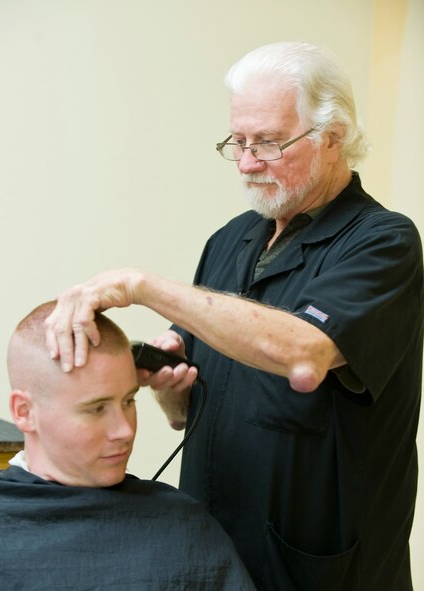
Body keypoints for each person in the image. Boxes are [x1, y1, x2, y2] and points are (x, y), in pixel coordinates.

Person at [44, 41, 423, 591]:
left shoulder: (382, 242)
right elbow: (188, 408)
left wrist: (144, 287)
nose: (247, 163)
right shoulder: (230, 239)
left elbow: (304, 353)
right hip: (216, 548)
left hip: (322, 565)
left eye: (268, 143)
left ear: (333, 137)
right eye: (238, 143)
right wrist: (172, 388)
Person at [0, 301, 256, 590]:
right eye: (96, 409)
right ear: (24, 412)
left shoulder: (183, 527)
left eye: (128, 401)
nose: (125, 430)